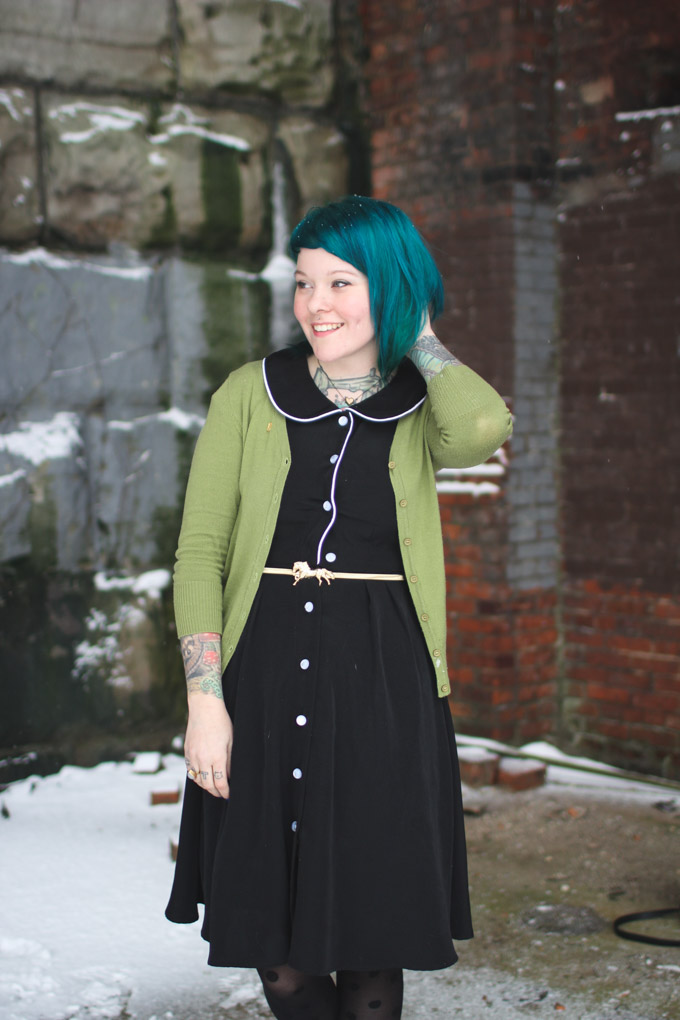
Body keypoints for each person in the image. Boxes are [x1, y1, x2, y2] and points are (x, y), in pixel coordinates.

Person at [166, 195, 512, 1019]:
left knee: (370, 944)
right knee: (277, 956)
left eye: (341, 283)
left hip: (384, 693)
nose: (315, 304)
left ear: (390, 287)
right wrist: (205, 700)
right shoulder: (249, 394)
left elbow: (483, 427)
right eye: (304, 283)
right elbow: (201, 552)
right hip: (261, 681)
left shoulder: (422, 403)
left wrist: (416, 335)